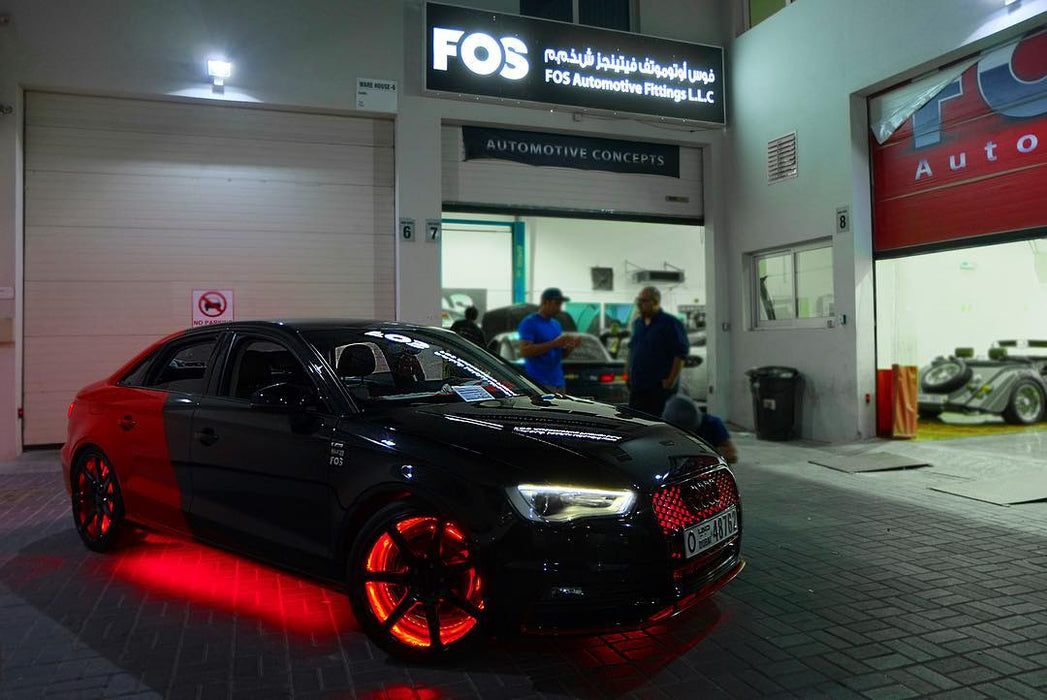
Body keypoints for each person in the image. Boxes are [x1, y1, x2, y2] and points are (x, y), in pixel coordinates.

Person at [627, 286, 688, 417]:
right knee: (636, 421)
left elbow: (680, 353)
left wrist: (671, 380)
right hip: (638, 385)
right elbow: (633, 349)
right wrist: (628, 373)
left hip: (659, 386)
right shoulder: (638, 323)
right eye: (639, 301)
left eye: (643, 301)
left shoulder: (670, 323)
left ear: (655, 302)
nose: (639, 304)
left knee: (657, 423)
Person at [517, 288, 580, 393]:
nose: (559, 308)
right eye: (557, 304)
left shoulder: (556, 324)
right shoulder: (530, 323)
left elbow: (559, 354)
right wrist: (554, 343)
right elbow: (525, 351)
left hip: (558, 381)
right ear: (546, 302)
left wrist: (570, 348)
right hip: (539, 382)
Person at [662, 394, 739, 464]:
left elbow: (732, 456)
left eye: (691, 432)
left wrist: (707, 452)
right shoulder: (665, 429)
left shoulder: (712, 424)